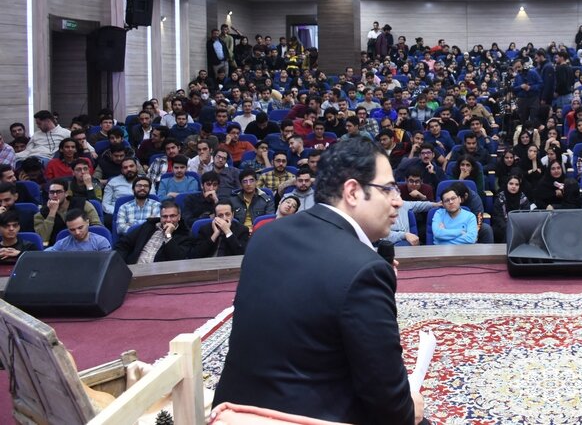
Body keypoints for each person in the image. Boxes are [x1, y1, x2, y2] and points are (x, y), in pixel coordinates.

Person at [213, 138, 426, 424]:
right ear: (353, 192)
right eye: (388, 189)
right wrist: (411, 408)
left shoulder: (266, 235)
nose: (398, 200)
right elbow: (390, 404)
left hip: (232, 412)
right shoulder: (365, 269)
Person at [114, 200, 194, 264]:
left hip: (160, 274)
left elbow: (177, 259)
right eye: (164, 216)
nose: (168, 220)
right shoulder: (149, 226)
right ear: (160, 217)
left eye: (172, 216)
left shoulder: (185, 235)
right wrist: (121, 264)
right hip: (135, 269)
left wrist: (168, 235)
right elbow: (123, 243)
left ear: (179, 217)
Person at [44, 209, 111, 252]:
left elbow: (106, 265)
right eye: (72, 230)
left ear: (87, 222)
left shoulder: (101, 242)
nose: (77, 232)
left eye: (80, 227)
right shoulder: (62, 244)